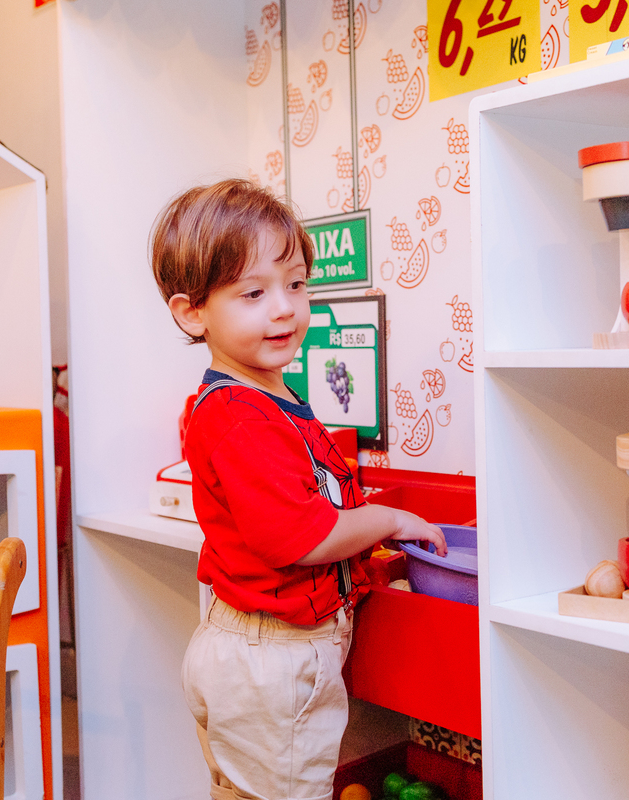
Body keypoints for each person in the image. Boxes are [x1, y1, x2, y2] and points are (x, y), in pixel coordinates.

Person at [150, 178, 447, 800]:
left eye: (296, 284)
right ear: (192, 311)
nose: (284, 307)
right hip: (272, 664)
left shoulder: (267, 396)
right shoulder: (239, 414)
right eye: (253, 292)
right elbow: (304, 536)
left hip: (253, 652)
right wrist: (389, 519)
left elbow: (305, 502)